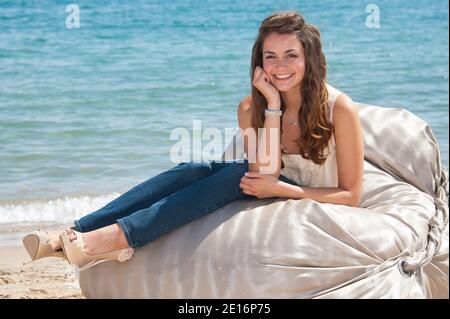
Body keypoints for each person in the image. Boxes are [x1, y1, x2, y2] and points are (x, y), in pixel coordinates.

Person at [22, 11, 364, 271]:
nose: (280, 67)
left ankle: (114, 238)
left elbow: (350, 194)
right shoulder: (251, 106)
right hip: (270, 183)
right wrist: (272, 106)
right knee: (195, 167)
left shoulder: (338, 108)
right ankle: (72, 231)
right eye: (270, 56)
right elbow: (265, 170)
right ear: (259, 63)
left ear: (310, 59)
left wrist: (285, 191)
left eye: (291, 55)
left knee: (234, 173)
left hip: (309, 197)